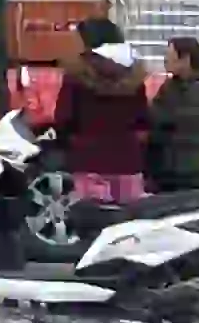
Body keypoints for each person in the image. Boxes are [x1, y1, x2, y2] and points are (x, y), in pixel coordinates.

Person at [52, 15, 151, 209]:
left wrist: (69, 140)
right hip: (128, 160)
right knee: (130, 221)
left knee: (93, 221)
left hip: (88, 159)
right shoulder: (134, 77)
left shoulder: (77, 74)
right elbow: (143, 119)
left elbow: (64, 118)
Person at [145, 34, 199, 195]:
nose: (166, 60)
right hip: (168, 169)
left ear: (185, 59)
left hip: (192, 171)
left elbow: (175, 120)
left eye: (170, 56)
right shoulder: (171, 85)